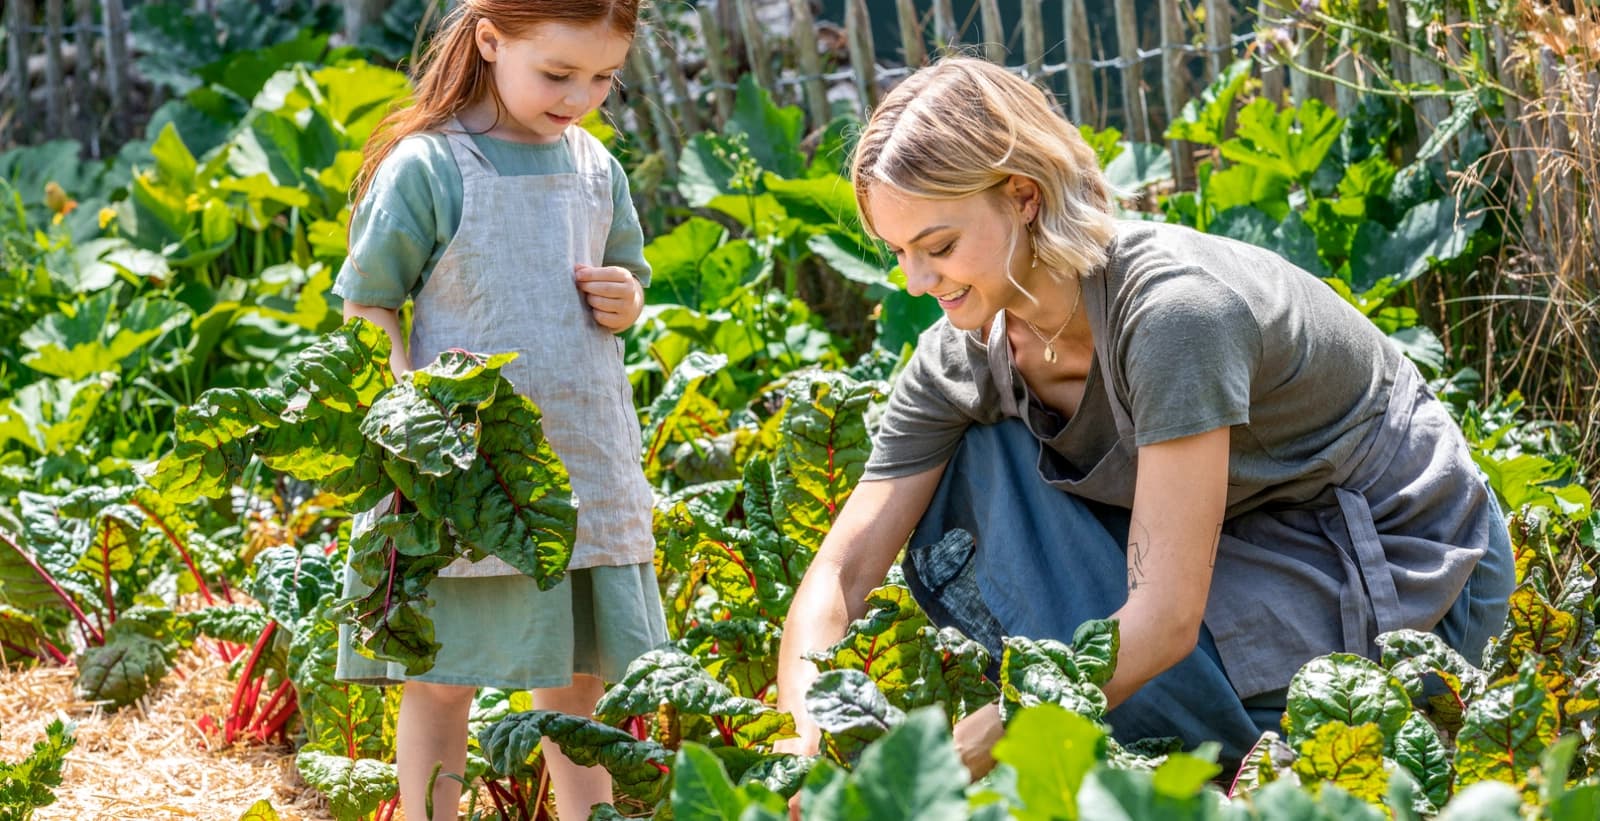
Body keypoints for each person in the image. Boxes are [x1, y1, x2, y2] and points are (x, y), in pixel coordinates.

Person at [774, 57, 1515, 775]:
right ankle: (1165, 716)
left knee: (1147, 692)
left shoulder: (1174, 317)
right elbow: (841, 572)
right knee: (966, 464)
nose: (915, 280)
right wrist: (808, 735)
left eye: (938, 246)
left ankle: (1221, 737)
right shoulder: (967, 350)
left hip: (1403, 564)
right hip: (1238, 537)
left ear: (1024, 196)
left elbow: (1161, 620)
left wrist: (980, 741)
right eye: (899, 250)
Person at [330, 2, 666, 818]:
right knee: (443, 678)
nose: (580, 97)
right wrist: (409, 413)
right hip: (462, 472)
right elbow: (369, 307)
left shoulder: (594, 167)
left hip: (581, 464)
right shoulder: (429, 166)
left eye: (603, 79)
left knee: (575, 685)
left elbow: (626, 280)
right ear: (489, 41)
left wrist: (625, 298)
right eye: (557, 74)